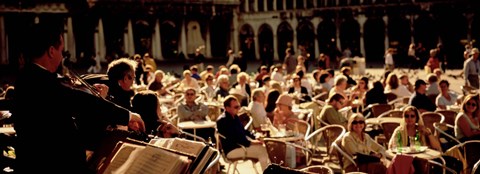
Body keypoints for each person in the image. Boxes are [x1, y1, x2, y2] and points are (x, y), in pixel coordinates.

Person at [13, 22, 145, 173]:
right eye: (61, 51)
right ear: (51, 51)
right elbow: (83, 102)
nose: (62, 56)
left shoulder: (28, 77)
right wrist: (128, 115)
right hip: (55, 165)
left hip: (40, 159)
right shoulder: (42, 81)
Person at [217, 96, 270, 171]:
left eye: (238, 106)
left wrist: (256, 137)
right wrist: (253, 142)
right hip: (232, 150)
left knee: (265, 149)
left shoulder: (234, 117)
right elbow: (236, 139)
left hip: (239, 146)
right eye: (235, 107)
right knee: (263, 151)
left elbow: (244, 131)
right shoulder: (223, 120)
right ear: (227, 108)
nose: (238, 109)